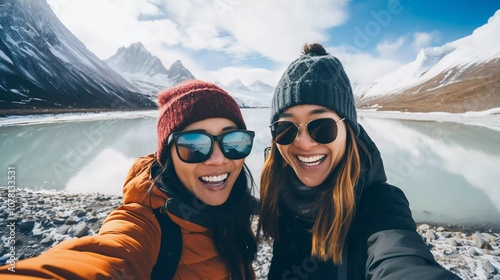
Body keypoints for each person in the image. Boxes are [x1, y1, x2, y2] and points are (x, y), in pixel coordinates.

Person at [0, 80, 258, 279]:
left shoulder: (235, 206)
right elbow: (108, 256)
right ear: (166, 156)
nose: (217, 159)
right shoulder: (147, 223)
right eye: (194, 145)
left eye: (233, 142)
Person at [257, 43, 461, 279]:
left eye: (322, 126)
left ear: (349, 131)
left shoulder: (379, 204)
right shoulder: (278, 189)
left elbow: (399, 258)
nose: (303, 143)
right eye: (285, 128)